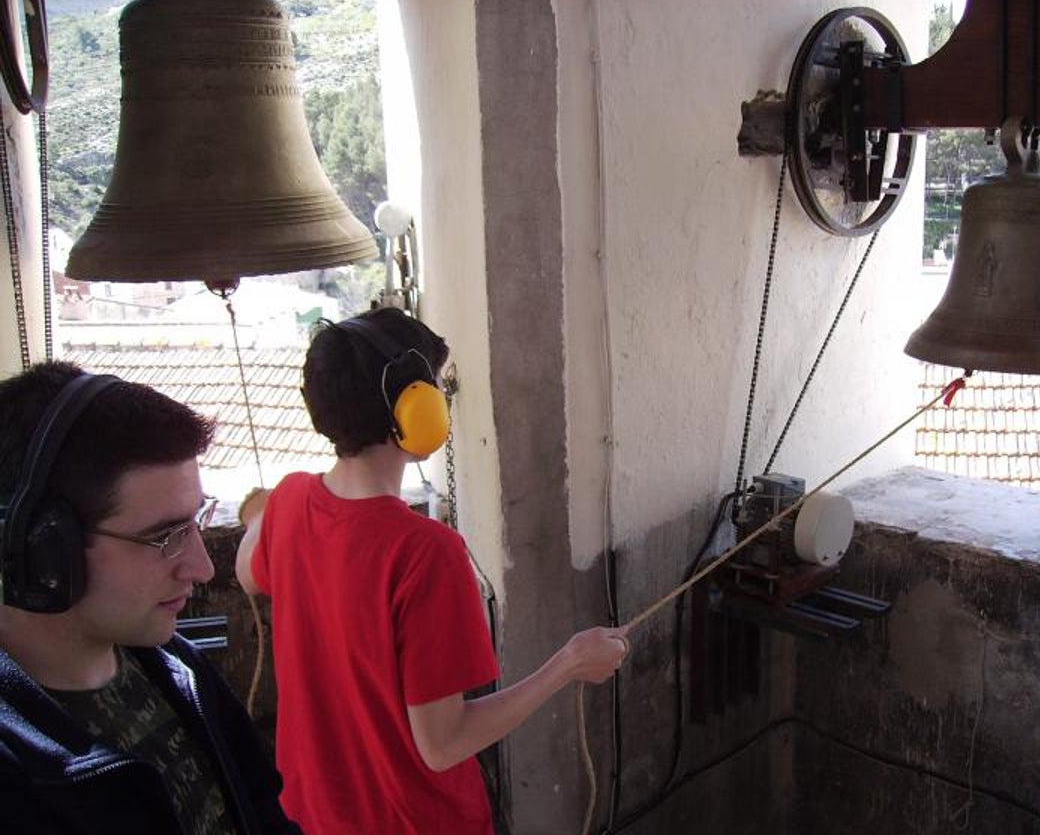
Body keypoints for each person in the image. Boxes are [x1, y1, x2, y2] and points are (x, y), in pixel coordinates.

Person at [235, 308, 628, 835]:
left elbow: (247, 574)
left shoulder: (287, 502)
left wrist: (261, 517)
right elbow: (443, 745)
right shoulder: (425, 551)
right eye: (436, 387)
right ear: (413, 406)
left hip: (312, 817)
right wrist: (568, 665)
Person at [0, 361, 298, 835]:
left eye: (194, 523)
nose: (202, 568)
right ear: (43, 547)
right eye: (165, 536)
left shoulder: (184, 673)